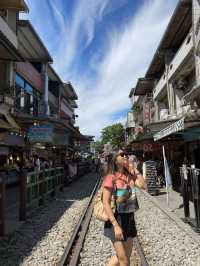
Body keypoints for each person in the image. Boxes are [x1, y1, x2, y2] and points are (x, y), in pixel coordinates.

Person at [103, 150, 146, 266]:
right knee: (124, 262)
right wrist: (116, 226)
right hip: (116, 220)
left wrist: (135, 170)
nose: (125, 156)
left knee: (124, 257)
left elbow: (143, 185)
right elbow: (106, 203)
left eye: (126, 154)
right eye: (122, 155)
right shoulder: (111, 178)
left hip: (129, 218)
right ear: (115, 160)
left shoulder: (129, 175)